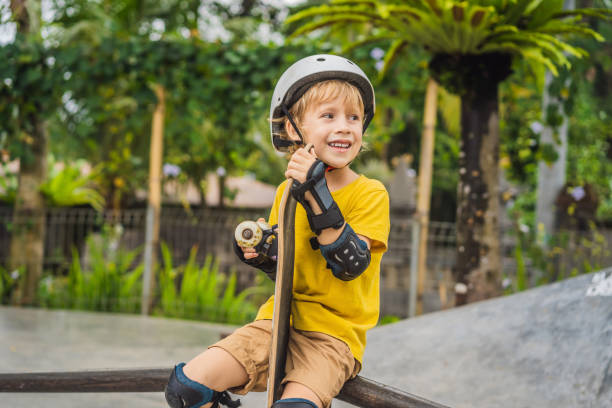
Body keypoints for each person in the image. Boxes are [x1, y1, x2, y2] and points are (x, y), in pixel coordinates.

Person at [164, 54, 390, 408]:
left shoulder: (370, 192)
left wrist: (317, 194)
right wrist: (264, 254)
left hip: (332, 336)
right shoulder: (286, 192)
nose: (345, 126)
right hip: (277, 321)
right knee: (186, 389)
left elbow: (350, 265)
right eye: (328, 115)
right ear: (292, 129)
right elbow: (288, 268)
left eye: (354, 117)